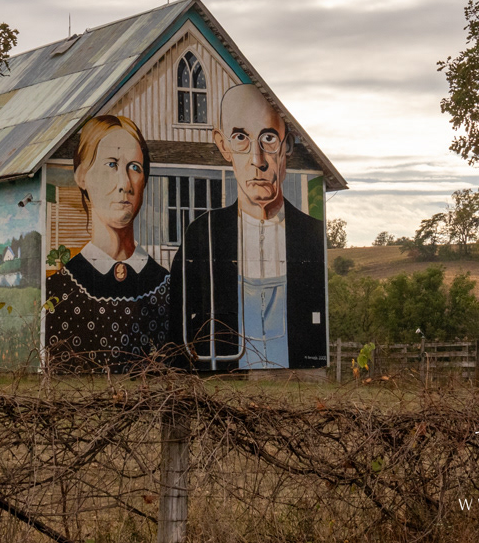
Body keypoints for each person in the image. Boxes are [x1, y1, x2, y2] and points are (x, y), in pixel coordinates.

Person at [169, 84, 327, 371]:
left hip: (294, 388)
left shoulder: (311, 237)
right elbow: (178, 330)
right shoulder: (202, 236)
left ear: (287, 146)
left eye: (268, 138)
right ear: (223, 145)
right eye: (240, 137)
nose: (257, 160)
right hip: (220, 387)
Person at [46, 115, 170, 370]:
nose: (124, 184)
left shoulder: (167, 288)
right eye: (111, 164)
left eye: (135, 167)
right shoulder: (58, 292)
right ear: (82, 176)